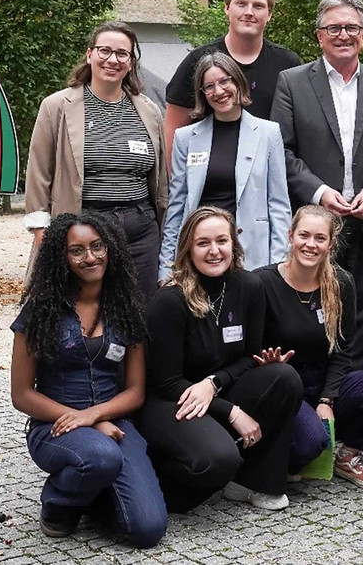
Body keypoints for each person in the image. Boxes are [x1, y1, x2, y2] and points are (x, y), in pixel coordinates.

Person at [272, 0, 363, 367]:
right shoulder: (292, 83)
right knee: (310, 315)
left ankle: (354, 393)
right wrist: (319, 193)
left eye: (352, 27)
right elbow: (281, 150)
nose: (343, 35)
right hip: (315, 226)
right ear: (319, 35)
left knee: (361, 321)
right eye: (334, 28)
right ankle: (315, 395)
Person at [10, 212, 167, 545]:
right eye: (77, 250)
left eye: (98, 246)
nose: (90, 257)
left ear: (110, 249)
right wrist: (84, 422)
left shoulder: (126, 308)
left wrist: (93, 416)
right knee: (101, 457)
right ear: (62, 257)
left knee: (147, 529)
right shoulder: (40, 310)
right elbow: (22, 395)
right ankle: (57, 503)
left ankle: (93, 493)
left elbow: (135, 392)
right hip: (55, 427)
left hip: (114, 425)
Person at [140, 206, 303, 512]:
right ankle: (158, 481)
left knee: (284, 377)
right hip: (172, 400)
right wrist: (231, 412)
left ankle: (255, 481)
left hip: (215, 390)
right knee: (217, 461)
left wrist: (213, 384)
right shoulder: (169, 300)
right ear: (188, 249)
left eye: (221, 241)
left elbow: (250, 356)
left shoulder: (249, 286)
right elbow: (165, 382)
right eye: (203, 243)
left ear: (233, 244)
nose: (214, 251)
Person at [254, 206, 363, 490]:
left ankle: (348, 456)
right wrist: (265, 365)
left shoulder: (341, 283)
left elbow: (343, 349)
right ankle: (282, 454)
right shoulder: (262, 283)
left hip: (324, 382)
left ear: (331, 243)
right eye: (304, 235)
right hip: (286, 387)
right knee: (309, 446)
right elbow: (248, 349)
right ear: (290, 236)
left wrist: (327, 400)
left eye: (320, 238)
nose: (310, 244)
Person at [24, 21, 167, 301]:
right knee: (85, 310)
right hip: (84, 231)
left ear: (131, 62)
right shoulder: (56, 107)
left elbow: (160, 179)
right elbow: (39, 172)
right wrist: (43, 234)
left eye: (122, 54)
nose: (113, 60)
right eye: (105, 51)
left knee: (141, 311)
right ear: (89, 54)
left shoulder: (149, 110)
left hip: (141, 233)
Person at [159, 53, 291, 280]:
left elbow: (279, 206)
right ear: (202, 94)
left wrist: (278, 268)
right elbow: (177, 208)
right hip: (201, 256)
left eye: (224, 81)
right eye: (209, 86)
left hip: (251, 256)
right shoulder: (186, 138)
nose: (218, 91)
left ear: (237, 81)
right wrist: (166, 268)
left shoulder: (268, 134)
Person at [164, 0, 303, 160]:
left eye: (258, 6)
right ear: (227, 8)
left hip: (270, 173)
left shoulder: (288, 64)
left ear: (269, 14)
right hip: (210, 175)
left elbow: (297, 133)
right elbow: (173, 133)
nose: (249, 12)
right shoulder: (198, 62)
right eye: (241, 4)